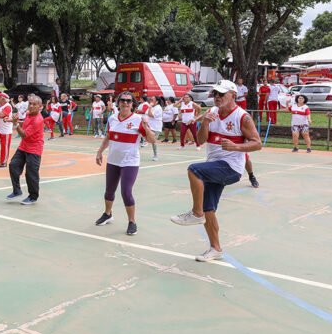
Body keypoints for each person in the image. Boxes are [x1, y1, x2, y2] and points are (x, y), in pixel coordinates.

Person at [170, 80, 262, 262]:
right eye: (215, 94)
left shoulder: (242, 117)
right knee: (209, 209)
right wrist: (204, 123)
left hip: (231, 168)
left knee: (194, 170)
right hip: (213, 165)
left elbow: (257, 143)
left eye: (222, 94)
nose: (217, 97)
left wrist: (236, 147)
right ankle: (216, 248)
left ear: (233, 95)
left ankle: (196, 214)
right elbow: (201, 140)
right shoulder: (211, 113)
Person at [95, 91, 157, 236]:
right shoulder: (112, 118)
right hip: (113, 160)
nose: (125, 103)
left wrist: (146, 127)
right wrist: (99, 151)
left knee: (126, 192)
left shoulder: (138, 119)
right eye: (122, 100)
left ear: (132, 104)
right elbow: (108, 137)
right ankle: (107, 214)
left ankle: (132, 221)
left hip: (130, 162)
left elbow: (152, 140)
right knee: (109, 190)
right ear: (118, 102)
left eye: (128, 101)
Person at [7, 95, 44, 205]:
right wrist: (11, 120)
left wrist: (15, 123)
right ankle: (17, 191)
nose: (31, 106)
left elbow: (24, 134)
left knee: (31, 174)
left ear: (40, 107)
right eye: (30, 104)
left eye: (34, 104)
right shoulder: (28, 114)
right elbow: (25, 124)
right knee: (13, 165)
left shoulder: (38, 120)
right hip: (24, 146)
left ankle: (33, 196)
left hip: (34, 149)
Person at [148, 97, 164, 161]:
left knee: (153, 141)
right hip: (150, 126)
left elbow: (150, 115)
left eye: (152, 100)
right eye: (150, 99)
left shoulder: (158, 108)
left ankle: (155, 155)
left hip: (156, 127)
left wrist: (149, 107)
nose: (150, 101)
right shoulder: (153, 107)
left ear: (156, 101)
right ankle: (144, 141)